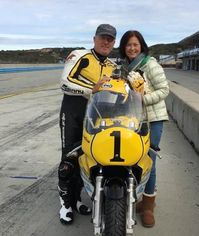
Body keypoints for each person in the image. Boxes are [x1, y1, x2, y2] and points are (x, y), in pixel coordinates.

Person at [58, 24, 117, 224]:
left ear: (114, 42)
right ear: (94, 38)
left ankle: (76, 199)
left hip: (96, 118)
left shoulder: (112, 66)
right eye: (103, 37)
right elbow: (65, 83)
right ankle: (65, 204)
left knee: (88, 158)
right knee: (69, 157)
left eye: (110, 39)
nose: (106, 42)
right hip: (73, 112)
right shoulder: (80, 55)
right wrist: (92, 89)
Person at [119, 30, 169, 227]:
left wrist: (142, 100)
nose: (132, 48)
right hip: (132, 120)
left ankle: (148, 205)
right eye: (128, 45)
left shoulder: (150, 64)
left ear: (141, 46)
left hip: (153, 119)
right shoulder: (123, 67)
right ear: (124, 47)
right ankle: (137, 198)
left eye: (135, 45)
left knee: (149, 160)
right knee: (132, 159)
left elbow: (164, 90)